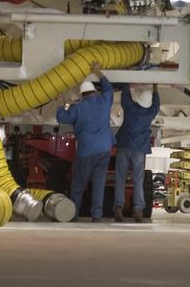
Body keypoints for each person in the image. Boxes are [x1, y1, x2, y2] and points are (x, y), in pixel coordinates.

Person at [56, 64, 114, 222]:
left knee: (78, 185)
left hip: (86, 152)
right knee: (99, 185)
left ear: (82, 95)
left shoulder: (78, 108)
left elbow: (62, 118)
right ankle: (97, 216)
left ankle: (73, 215)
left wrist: (63, 103)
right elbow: (108, 88)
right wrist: (97, 72)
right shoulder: (104, 101)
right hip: (104, 150)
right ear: (94, 92)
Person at [113, 84, 161, 223]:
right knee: (138, 180)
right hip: (140, 149)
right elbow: (157, 104)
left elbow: (125, 96)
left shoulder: (130, 108)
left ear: (139, 99)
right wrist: (156, 88)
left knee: (120, 178)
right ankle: (138, 210)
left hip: (124, 146)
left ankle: (118, 207)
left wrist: (126, 82)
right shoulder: (150, 113)